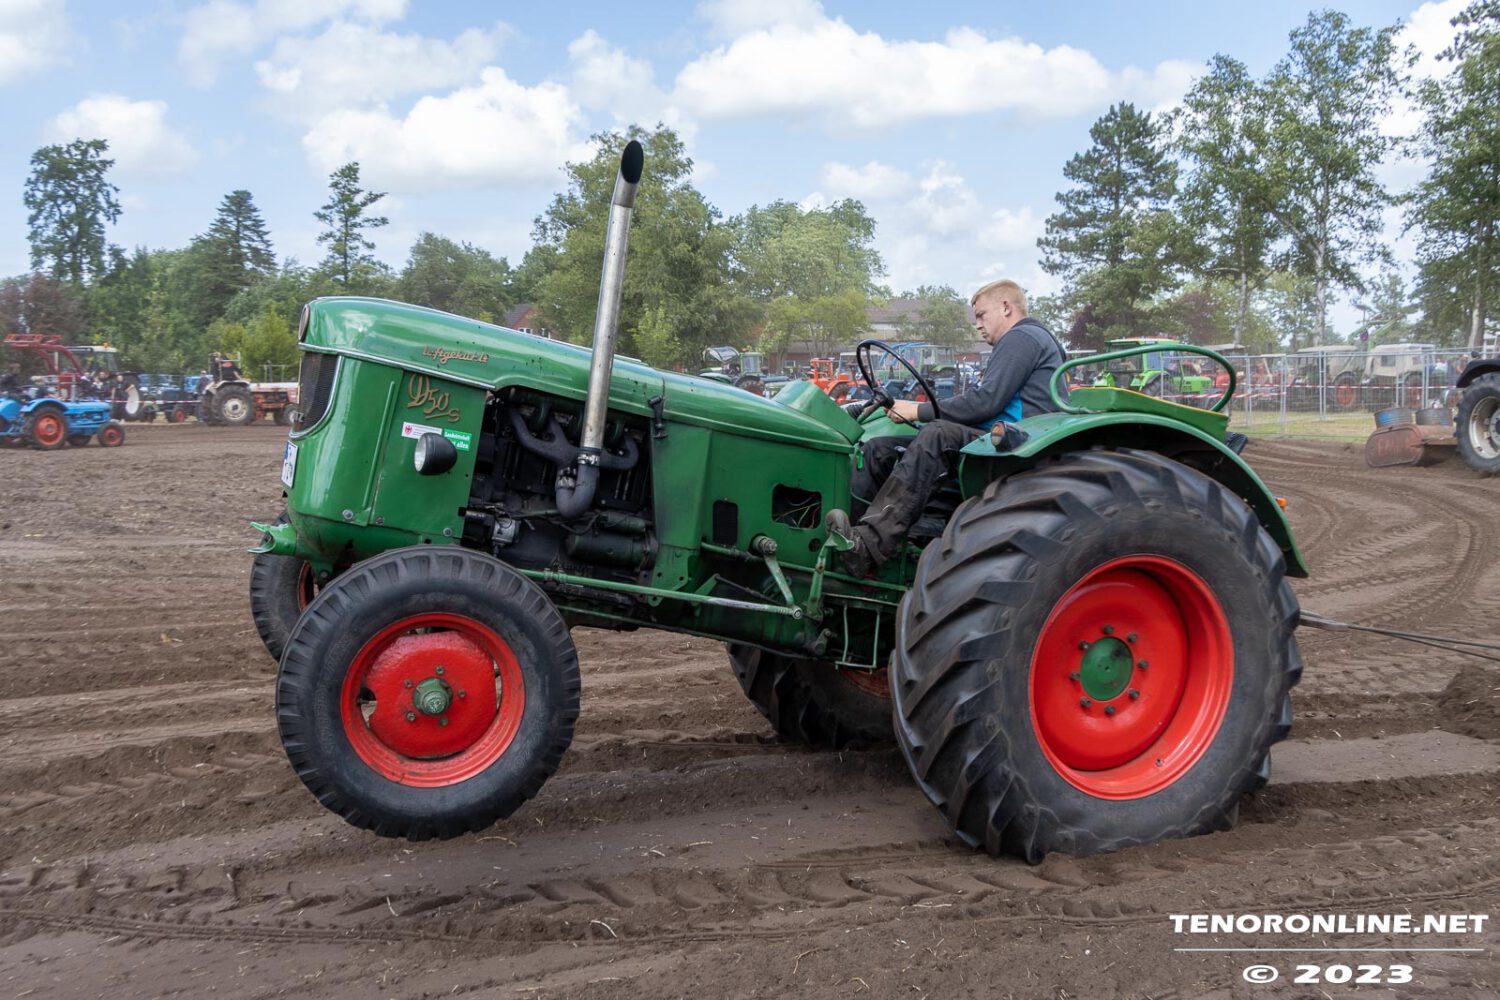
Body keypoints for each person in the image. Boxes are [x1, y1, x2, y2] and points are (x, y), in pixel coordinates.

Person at [827, 279, 1068, 577]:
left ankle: (869, 549)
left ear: (1006, 307)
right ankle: (849, 534)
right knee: (878, 449)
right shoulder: (1019, 342)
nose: (977, 325)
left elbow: (985, 403)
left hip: (1017, 445)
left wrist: (917, 410)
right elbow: (980, 402)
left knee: (937, 435)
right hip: (995, 437)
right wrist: (914, 409)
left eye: (981, 315)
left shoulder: (1023, 337)